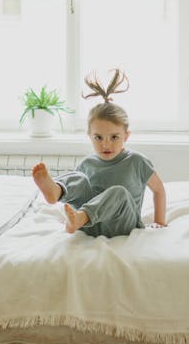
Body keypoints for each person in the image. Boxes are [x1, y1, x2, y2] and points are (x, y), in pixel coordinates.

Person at [32, 69, 167, 238]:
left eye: (114, 137)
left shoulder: (137, 161)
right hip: (90, 225)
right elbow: (79, 194)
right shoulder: (87, 163)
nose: (105, 144)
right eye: (98, 137)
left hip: (122, 224)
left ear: (126, 136)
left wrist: (159, 221)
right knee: (79, 178)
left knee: (118, 192)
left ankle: (82, 216)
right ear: (89, 136)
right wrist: (74, 215)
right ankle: (56, 191)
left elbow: (158, 190)